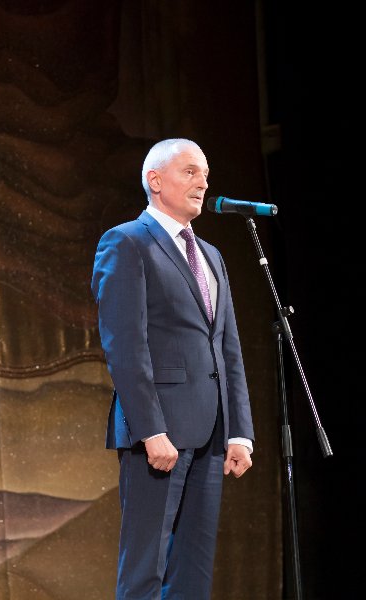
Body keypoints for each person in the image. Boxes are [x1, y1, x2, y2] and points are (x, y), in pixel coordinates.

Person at [91, 138, 255, 599]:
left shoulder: (212, 256)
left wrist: (239, 431)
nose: (202, 182)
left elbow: (228, 348)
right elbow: (125, 346)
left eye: (205, 174)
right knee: (145, 570)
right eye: (190, 171)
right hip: (158, 436)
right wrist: (150, 430)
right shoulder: (127, 242)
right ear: (155, 180)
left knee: (192, 574)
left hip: (210, 435)